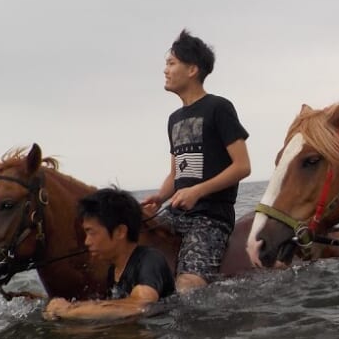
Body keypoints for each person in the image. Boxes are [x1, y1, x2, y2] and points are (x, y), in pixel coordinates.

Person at [142, 30, 251, 293]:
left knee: (187, 288)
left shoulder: (219, 108)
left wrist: (197, 191)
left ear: (192, 69)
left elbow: (242, 166)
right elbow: (175, 174)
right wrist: (159, 197)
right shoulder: (174, 119)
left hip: (210, 218)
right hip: (176, 213)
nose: (165, 70)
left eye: (171, 63)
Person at [44, 188, 175, 320]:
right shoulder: (113, 271)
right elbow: (113, 309)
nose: (87, 242)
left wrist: (69, 310)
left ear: (120, 231)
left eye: (91, 232)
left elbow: (141, 306)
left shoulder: (150, 260)